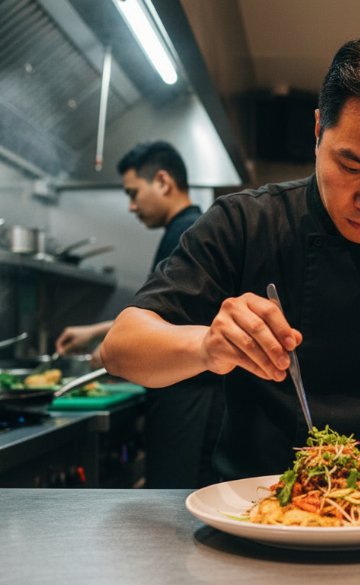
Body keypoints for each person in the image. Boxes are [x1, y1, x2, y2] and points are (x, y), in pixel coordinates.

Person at [100, 32, 360, 482]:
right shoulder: (245, 224)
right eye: (352, 167)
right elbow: (120, 348)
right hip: (255, 509)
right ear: (318, 131)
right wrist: (205, 346)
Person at [55, 141, 222, 489]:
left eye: (133, 193)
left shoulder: (187, 232)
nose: (131, 206)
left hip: (187, 400)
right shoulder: (186, 228)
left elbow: (171, 326)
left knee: (177, 507)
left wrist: (106, 355)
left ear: (162, 181)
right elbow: (165, 314)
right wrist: (97, 331)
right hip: (184, 398)